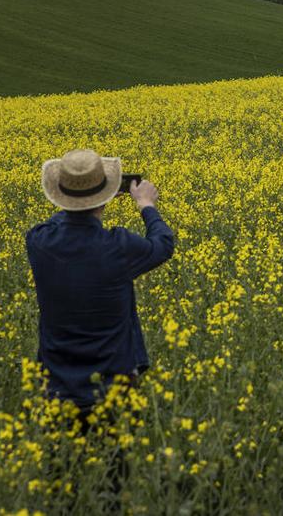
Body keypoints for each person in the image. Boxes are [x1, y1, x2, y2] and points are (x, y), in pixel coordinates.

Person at [26, 147, 175, 410]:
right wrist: (146, 205)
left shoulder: (38, 242)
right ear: (105, 198)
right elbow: (162, 244)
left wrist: (82, 200)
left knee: (61, 451)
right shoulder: (118, 246)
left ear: (61, 197)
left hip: (57, 389)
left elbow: (60, 222)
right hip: (114, 390)